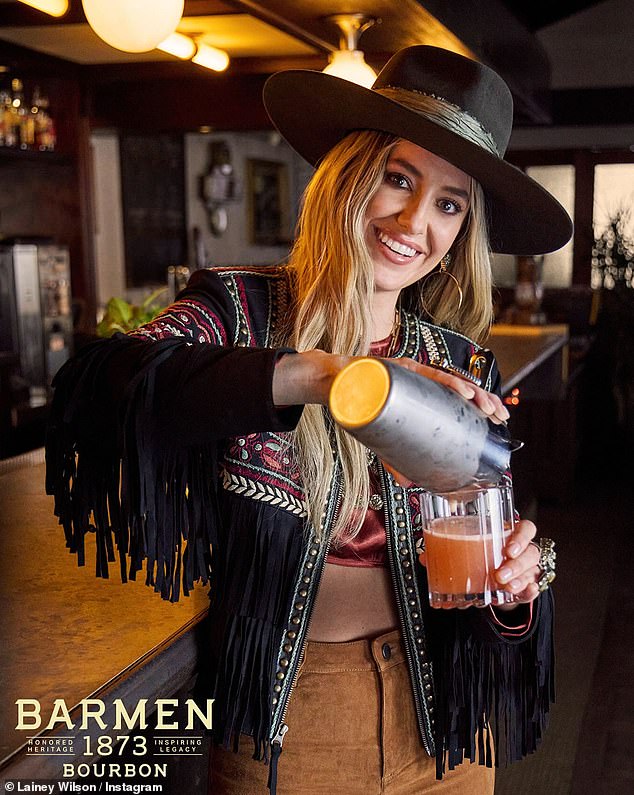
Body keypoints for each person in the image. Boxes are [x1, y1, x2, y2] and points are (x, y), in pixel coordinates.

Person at [46, 46, 570, 795]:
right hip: (294, 730)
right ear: (348, 172)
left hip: (446, 737)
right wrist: (318, 376)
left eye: (449, 204)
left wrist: (519, 585)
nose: (414, 220)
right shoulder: (236, 314)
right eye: (398, 177)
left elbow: (490, 572)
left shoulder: (462, 366)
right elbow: (94, 393)